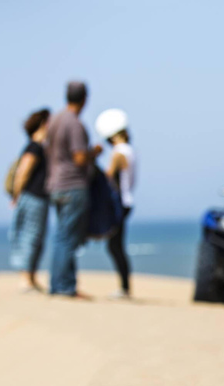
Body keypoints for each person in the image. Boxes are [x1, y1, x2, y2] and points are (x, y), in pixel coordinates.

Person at [46, 81, 102, 297]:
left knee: (61, 236)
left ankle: (57, 284)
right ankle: (65, 286)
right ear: (84, 99)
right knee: (68, 238)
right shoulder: (74, 123)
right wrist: (94, 153)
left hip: (55, 184)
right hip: (72, 185)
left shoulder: (54, 120)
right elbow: (79, 157)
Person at [95, 109, 137, 298]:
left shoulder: (119, 153)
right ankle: (125, 287)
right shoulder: (130, 151)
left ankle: (125, 288)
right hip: (127, 201)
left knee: (115, 246)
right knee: (116, 246)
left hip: (120, 203)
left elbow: (109, 177)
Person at [10, 109, 50, 291]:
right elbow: (23, 173)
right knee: (31, 236)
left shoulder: (40, 146)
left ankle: (31, 278)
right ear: (43, 123)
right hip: (33, 196)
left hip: (38, 197)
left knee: (37, 237)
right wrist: (16, 195)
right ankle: (26, 278)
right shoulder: (34, 147)